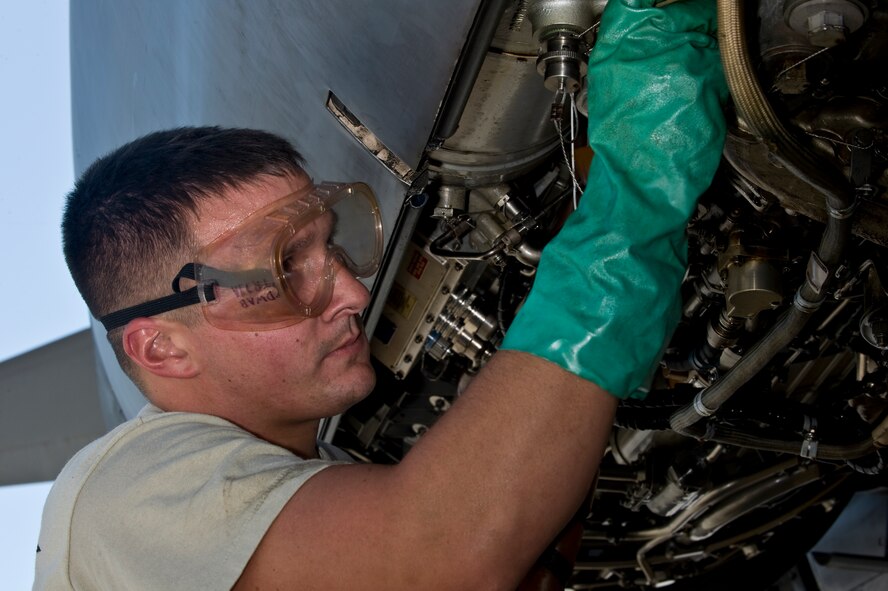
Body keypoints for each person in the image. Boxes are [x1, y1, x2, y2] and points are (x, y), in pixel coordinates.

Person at [34, 1, 728, 589]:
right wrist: (631, 203)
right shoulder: (122, 490)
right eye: (285, 271)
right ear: (160, 344)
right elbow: (440, 556)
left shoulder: (326, 486)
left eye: (332, 247)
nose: (353, 293)